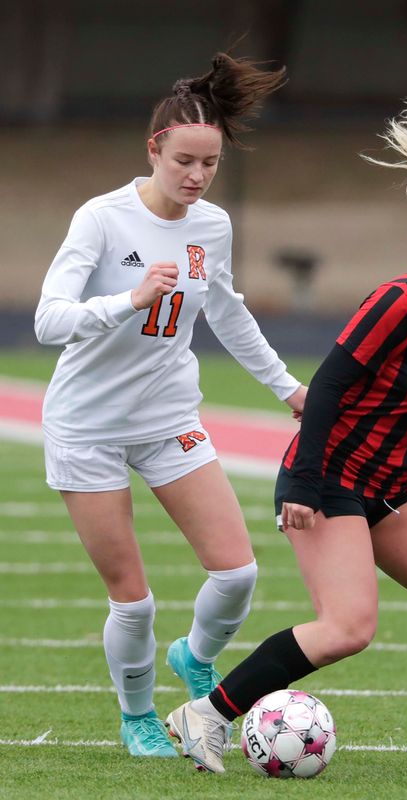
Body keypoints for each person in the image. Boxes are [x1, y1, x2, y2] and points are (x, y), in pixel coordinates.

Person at [166, 57, 407, 775]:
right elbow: (323, 391)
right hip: (331, 479)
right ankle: (206, 714)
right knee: (349, 627)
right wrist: (301, 487)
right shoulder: (401, 302)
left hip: (390, 488)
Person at [34, 52, 306, 759]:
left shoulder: (211, 227)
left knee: (238, 572)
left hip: (168, 419)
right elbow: (49, 320)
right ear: (154, 148)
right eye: (184, 160)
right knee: (134, 599)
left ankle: (193, 656)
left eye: (209, 164)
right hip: (87, 427)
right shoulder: (101, 220)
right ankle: (137, 716)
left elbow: (230, 314)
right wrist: (128, 300)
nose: (196, 176)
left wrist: (287, 388)